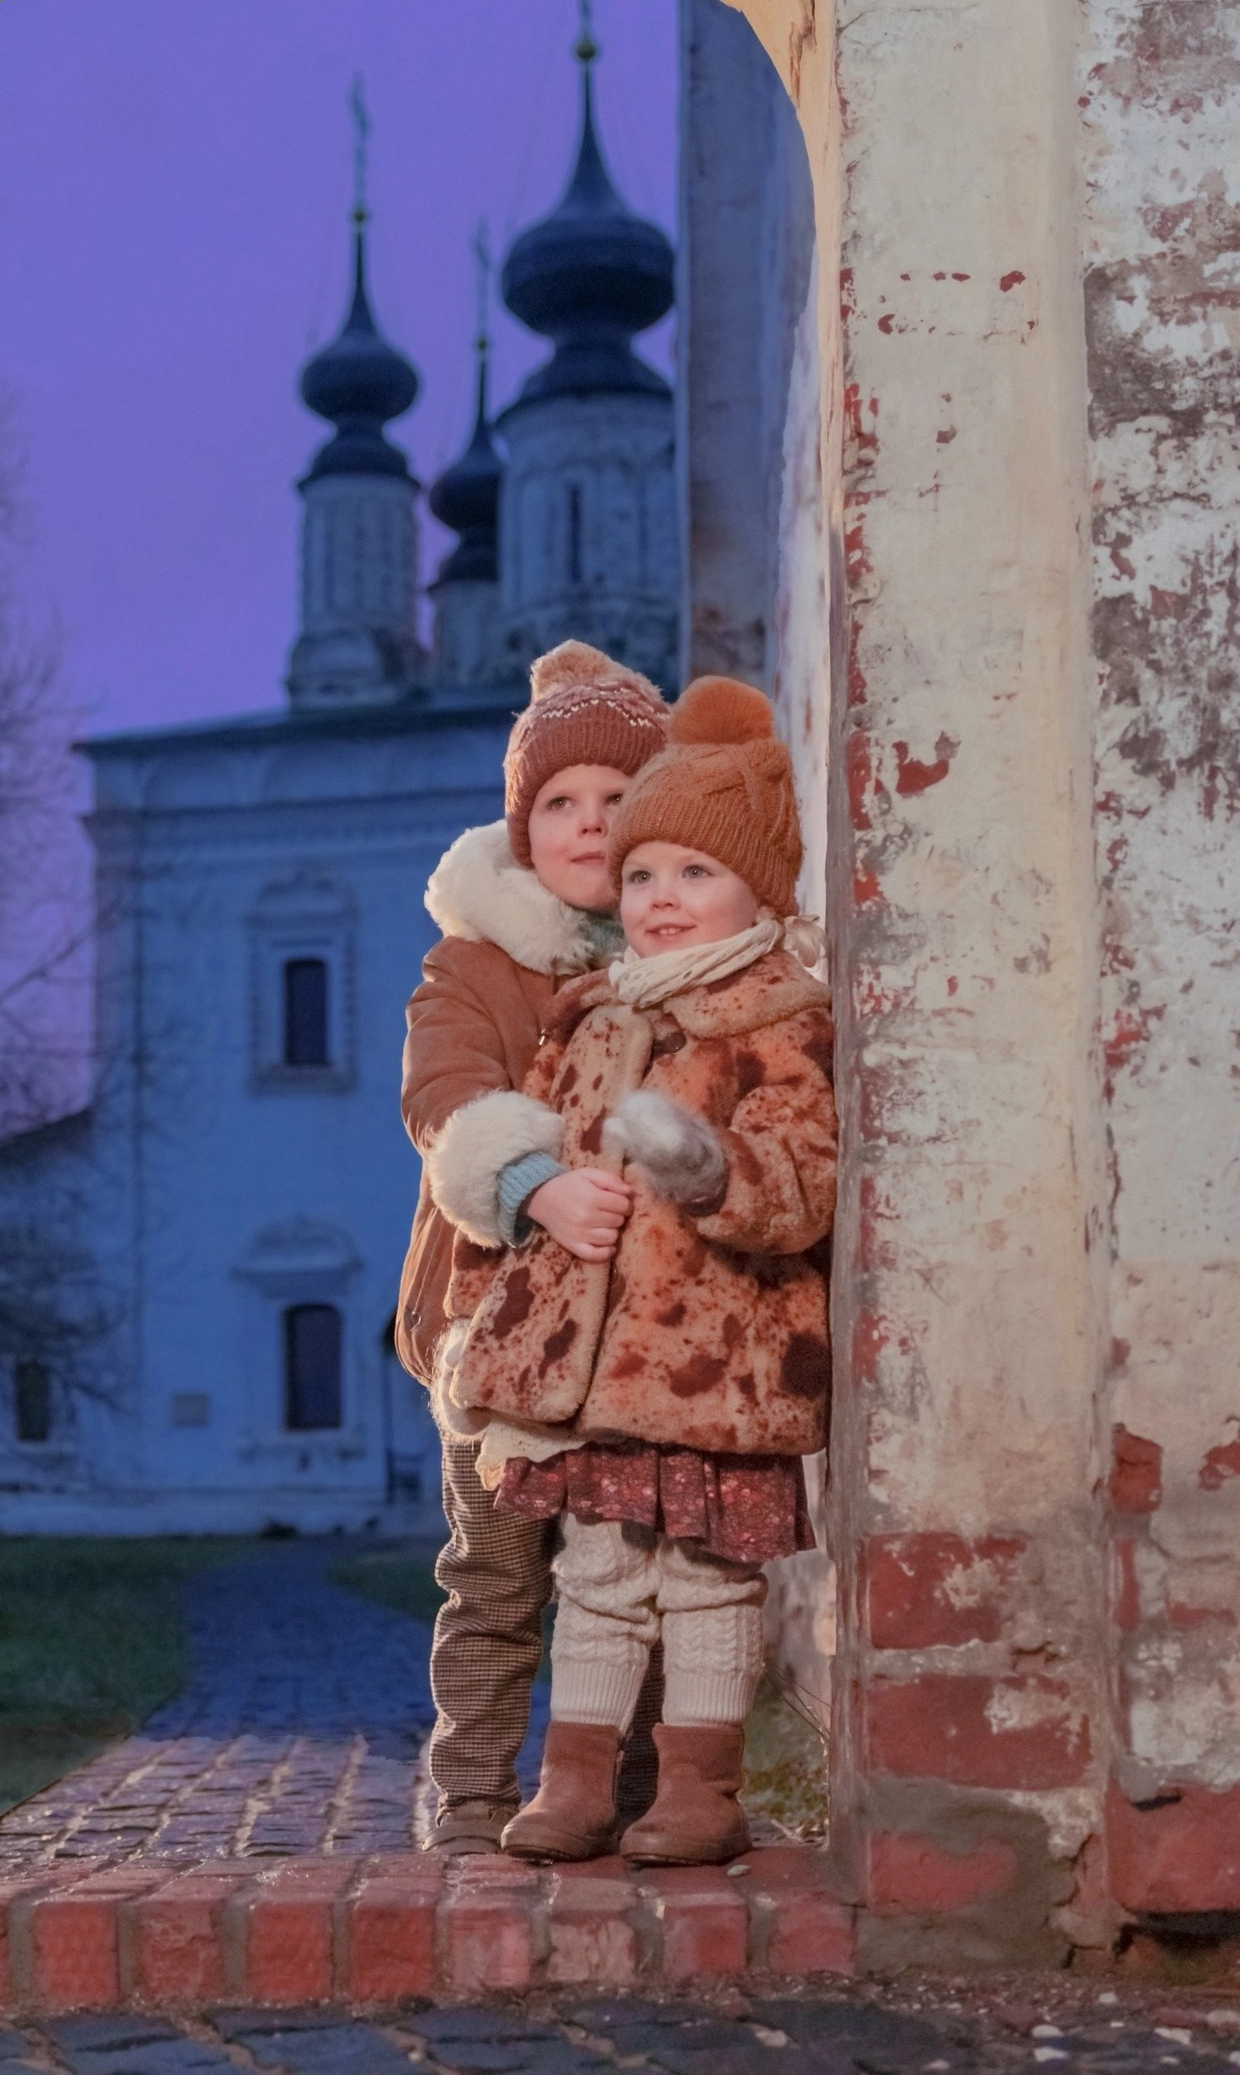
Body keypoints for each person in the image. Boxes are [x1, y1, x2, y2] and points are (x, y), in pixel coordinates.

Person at [447, 674, 834, 1866]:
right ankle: (572, 1787)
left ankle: (696, 1790)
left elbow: (803, 1174)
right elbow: (546, 1185)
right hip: (597, 1370)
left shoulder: (780, 1017)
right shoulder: (594, 1015)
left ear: (755, 890)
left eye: (695, 874)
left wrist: (714, 1170)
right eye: (641, 877)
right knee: (600, 1573)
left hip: (718, 1363)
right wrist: (516, 1341)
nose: (662, 901)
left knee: (708, 1584)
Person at [396, 641, 669, 1854]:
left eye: (618, 801)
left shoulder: (679, 954)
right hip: (491, 1315)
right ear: (522, 823)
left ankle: (637, 1789)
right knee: (499, 1577)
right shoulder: (474, 960)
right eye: (559, 801)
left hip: (638, 1332)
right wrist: (533, 1181)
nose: (587, 823)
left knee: (638, 1575)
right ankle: (464, 1792)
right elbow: (442, 1093)